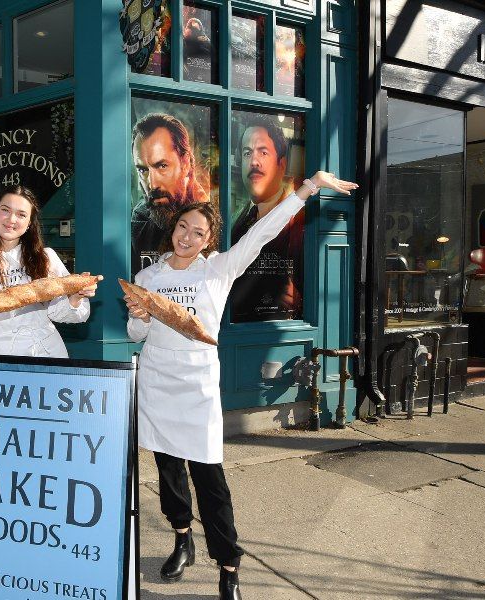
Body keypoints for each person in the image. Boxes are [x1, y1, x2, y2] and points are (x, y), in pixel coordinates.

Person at [125, 171, 357, 600]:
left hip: (196, 387)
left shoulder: (219, 269)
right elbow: (137, 334)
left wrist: (308, 187)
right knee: (168, 470)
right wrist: (139, 319)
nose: (187, 237)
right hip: (157, 381)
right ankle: (182, 538)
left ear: (208, 239)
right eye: (182, 227)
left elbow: (263, 232)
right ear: (173, 228)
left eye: (198, 232)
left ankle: (228, 566)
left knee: (209, 477)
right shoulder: (148, 278)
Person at [0, 185, 97, 357]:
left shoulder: (46, 257)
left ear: (29, 223)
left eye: (21, 214)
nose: (12, 219)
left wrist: (75, 296)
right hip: (0, 356)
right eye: (5, 210)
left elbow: (66, 314)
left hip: (49, 354)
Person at [229, 117, 305, 321]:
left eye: (263, 152)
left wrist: (301, 300)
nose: (254, 162)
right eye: (247, 153)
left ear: (282, 164)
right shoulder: (234, 221)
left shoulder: (301, 221)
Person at [131, 113, 212, 273]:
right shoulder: (140, 220)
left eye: (162, 166)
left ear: (185, 163)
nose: (152, 184)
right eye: (142, 170)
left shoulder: (211, 218)